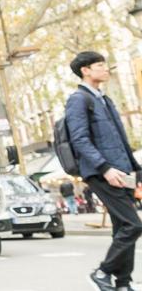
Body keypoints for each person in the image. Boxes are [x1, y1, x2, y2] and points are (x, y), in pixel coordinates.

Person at [65, 50, 142, 291]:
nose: (106, 69)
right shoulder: (79, 99)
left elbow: (120, 138)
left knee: (122, 227)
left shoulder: (104, 99)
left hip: (123, 171)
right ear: (85, 70)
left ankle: (122, 283)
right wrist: (104, 167)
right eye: (100, 65)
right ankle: (102, 272)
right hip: (103, 173)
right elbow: (79, 139)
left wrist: (137, 170)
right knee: (134, 225)